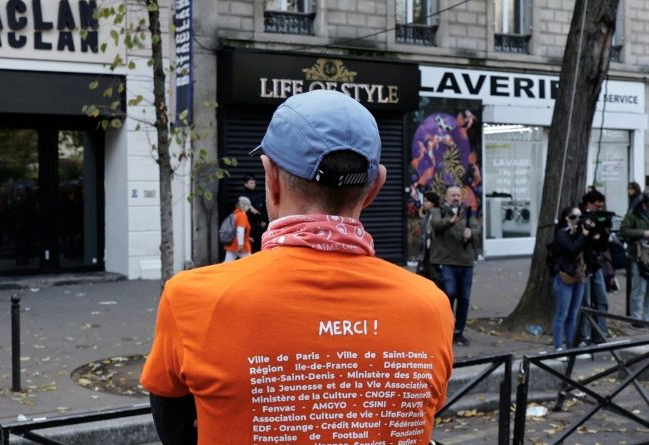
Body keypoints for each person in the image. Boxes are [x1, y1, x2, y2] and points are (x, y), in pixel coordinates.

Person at [140, 90, 454, 444]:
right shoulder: (431, 306)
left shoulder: (192, 298)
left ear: (271, 179)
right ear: (374, 188)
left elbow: (174, 426)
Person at [430, 185, 482, 346]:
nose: (456, 198)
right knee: (449, 294)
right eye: (452, 195)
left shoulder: (467, 212)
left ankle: (459, 332)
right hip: (446, 261)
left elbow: (477, 228)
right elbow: (436, 225)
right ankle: (446, 329)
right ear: (446, 197)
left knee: (464, 298)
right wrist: (452, 221)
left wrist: (471, 234)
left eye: (458, 195)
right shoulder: (439, 211)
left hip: (466, 262)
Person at [551, 206, 589, 352]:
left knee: (573, 314)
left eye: (580, 216)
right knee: (562, 314)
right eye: (574, 216)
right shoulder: (561, 233)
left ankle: (571, 347)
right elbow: (572, 249)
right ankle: (558, 347)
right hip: (565, 277)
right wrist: (583, 235)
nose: (578, 220)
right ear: (567, 218)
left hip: (579, 276)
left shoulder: (583, 232)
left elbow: (595, 247)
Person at [578, 190, 610, 344]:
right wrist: (591, 232)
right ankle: (585, 336)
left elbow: (602, 246)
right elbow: (580, 241)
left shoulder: (600, 218)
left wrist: (604, 232)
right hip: (583, 264)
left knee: (602, 300)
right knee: (585, 302)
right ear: (589, 203)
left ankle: (601, 334)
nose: (599, 209)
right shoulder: (579, 216)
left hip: (596, 264)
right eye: (597, 206)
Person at [619, 191, 649, 326]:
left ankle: (646, 318)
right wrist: (643, 233)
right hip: (639, 255)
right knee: (639, 288)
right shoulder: (633, 214)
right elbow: (623, 231)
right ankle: (636, 318)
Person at [416, 191, 441, 284]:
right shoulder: (427, 215)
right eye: (424, 201)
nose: (424, 204)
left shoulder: (437, 214)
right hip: (425, 252)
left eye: (427, 201)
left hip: (433, 252)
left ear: (433, 203)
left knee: (434, 278)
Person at [240, 175, 268, 252]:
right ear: (245, 184)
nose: (254, 185)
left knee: (259, 247)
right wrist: (250, 210)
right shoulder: (242, 196)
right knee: (248, 248)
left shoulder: (259, 195)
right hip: (248, 225)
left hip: (259, 226)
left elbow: (265, 209)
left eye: (254, 183)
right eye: (251, 183)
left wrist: (264, 220)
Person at [222, 196, 252, 262]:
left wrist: (248, 237)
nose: (248, 208)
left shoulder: (235, 214)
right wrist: (240, 244)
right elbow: (240, 230)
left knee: (226, 264)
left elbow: (235, 230)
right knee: (249, 263)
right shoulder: (242, 215)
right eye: (248, 205)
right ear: (244, 205)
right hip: (241, 246)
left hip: (231, 244)